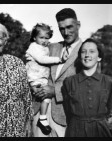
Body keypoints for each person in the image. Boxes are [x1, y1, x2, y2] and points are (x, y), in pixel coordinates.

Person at [31, 8, 82, 137]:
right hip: (39, 113)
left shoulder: (87, 52)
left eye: (69, 27)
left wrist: (55, 91)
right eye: (61, 29)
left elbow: (87, 85)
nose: (66, 32)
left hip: (64, 118)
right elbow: (33, 65)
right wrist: (33, 86)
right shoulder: (51, 47)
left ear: (78, 25)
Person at [62, 38, 112, 137]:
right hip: (75, 130)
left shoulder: (108, 81)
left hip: (100, 130)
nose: (87, 55)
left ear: (99, 57)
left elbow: (108, 108)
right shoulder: (69, 82)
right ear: (80, 56)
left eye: (92, 51)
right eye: (83, 52)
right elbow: (68, 110)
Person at [26, 23, 66, 135]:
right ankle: (42, 119)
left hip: (40, 76)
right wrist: (58, 59)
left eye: (46, 38)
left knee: (46, 97)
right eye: (41, 37)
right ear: (34, 37)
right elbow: (42, 59)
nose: (44, 40)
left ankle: (42, 119)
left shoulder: (44, 47)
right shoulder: (34, 47)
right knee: (41, 94)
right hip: (35, 75)